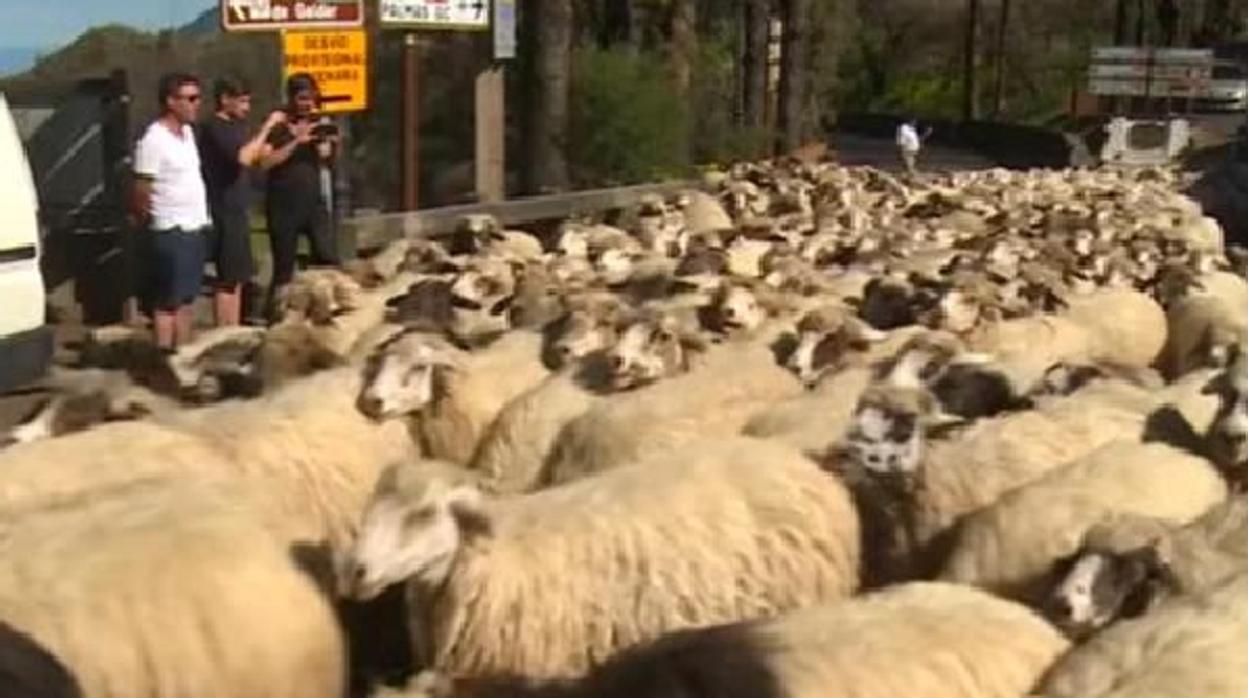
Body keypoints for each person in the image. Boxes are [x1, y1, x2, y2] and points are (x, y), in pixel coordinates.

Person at [131, 72, 211, 350]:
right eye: (189, 98)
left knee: (187, 300)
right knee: (167, 302)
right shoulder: (154, 139)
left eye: (198, 98)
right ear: (170, 101)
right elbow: (142, 187)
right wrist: (149, 220)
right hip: (169, 228)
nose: (196, 104)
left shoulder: (188, 134)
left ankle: (184, 356)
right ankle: (162, 357)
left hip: (194, 226)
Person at [197, 77, 286, 326]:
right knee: (227, 280)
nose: (247, 107)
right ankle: (223, 330)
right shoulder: (215, 127)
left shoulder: (238, 127)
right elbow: (243, 158)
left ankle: (233, 328)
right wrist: (267, 126)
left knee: (237, 277)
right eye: (243, 101)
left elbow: (260, 156)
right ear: (226, 99)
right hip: (222, 209)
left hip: (238, 208)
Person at [259, 72, 341, 316]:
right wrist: (297, 141)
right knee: (284, 267)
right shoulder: (279, 125)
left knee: (328, 256)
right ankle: (275, 314)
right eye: (302, 98)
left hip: (313, 202)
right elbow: (265, 161)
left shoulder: (319, 122)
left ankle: (325, 309)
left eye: (311, 98)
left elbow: (327, 158)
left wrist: (330, 144)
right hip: (283, 205)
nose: (307, 104)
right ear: (292, 98)